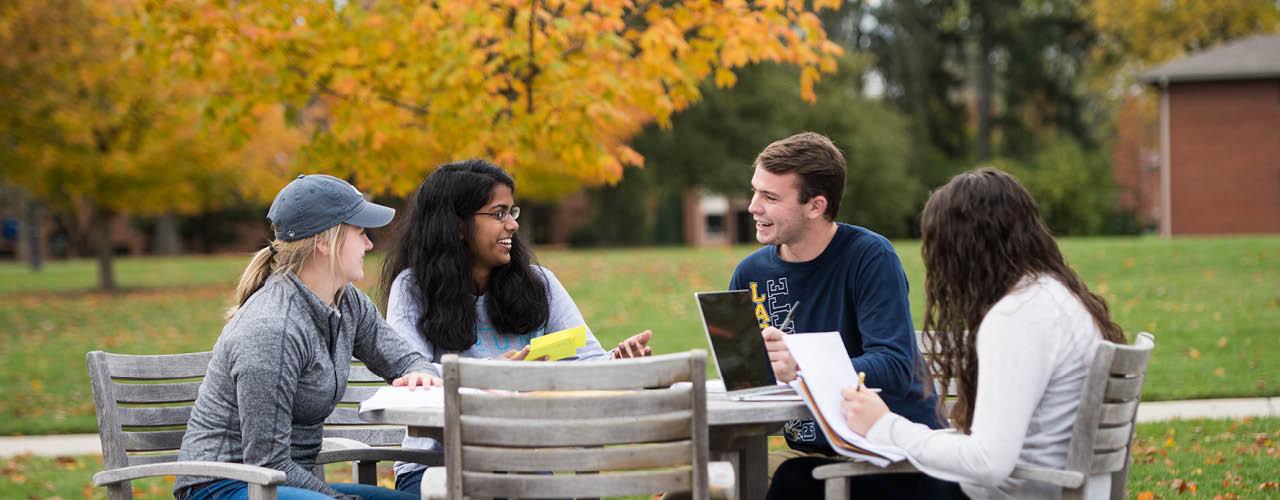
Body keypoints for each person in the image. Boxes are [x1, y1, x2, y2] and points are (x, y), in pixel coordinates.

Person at [842, 167, 1128, 499]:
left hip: (1020, 493)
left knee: (800, 479)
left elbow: (988, 462)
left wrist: (884, 425)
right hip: (1054, 486)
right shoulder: (1054, 296)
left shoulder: (1016, 317)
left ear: (961, 251)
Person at [378, 159, 654, 494]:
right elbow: (412, 378)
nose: (512, 225)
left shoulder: (539, 285)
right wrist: (490, 374)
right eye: (498, 214)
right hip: (437, 467)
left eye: (512, 212)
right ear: (458, 225)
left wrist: (617, 364)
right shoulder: (413, 289)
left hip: (523, 467)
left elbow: (586, 364)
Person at [174, 174, 439, 500]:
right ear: (325, 242)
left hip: (285, 481)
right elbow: (266, 462)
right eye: (360, 232)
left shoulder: (347, 301)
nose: (370, 244)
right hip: (226, 485)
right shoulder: (272, 330)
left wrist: (420, 375)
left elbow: (405, 359)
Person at [728, 132, 955, 499]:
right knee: (712, 480)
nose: (753, 206)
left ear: (816, 205)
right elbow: (744, 382)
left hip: (892, 450)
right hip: (813, 449)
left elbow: (894, 365)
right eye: (755, 191)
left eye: (770, 197)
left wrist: (803, 364)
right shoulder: (750, 275)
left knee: (790, 482)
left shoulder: (869, 258)